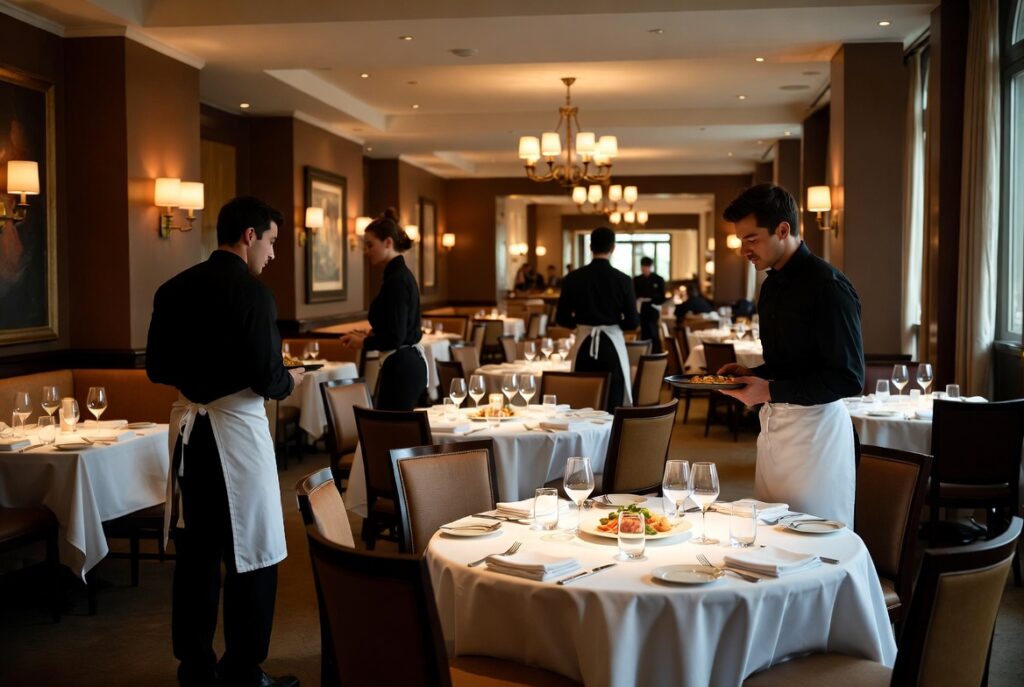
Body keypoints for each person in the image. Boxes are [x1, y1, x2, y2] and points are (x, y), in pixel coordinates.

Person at [146, 196, 301, 687]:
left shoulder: (172, 289)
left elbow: (155, 368)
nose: (272, 255)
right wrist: (288, 382)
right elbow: (265, 376)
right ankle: (243, 669)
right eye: (271, 242)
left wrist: (200, 380)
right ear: (249, 237)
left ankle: (194, 665)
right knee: (253, 551)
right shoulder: (255, 296)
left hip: (191, 438)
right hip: (235, 433)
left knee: (195, 554)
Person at [717, 184, 864, 527]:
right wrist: (753, 373)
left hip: (818, 435)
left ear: (783, 230)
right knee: (770, 529)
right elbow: (790, 365)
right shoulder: (770, 286)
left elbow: (848, 378)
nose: (743, 250)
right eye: (741, 240)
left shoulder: (828, 286)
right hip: (776, 429)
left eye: (751, 239)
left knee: (813, 535)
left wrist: (767, 390)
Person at [340, 208, 427, 410]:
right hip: (405, 364)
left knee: (392, 434)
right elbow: (395, 327)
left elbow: (395, 337)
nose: (366, 251)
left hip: (402, 368)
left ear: (388, 243)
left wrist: (363, 342)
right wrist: (372, 333)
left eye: (370, 245)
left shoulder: (396, 280)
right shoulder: (397, 275)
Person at [556, 226, 640, 412]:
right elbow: (633, 322)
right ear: (613, 248)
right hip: (612, 349)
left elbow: (561, 318)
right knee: (612, 403)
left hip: (583, 347)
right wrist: (615, 324)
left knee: (581, 401)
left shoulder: (572, 278)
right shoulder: (623, 280)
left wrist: (581, 325)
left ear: (590, 246)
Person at [633, 256, 666, 353]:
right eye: (643, 267)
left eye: (646, 267)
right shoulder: (637, 280)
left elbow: (662, 297)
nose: (644, 269)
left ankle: (656, 353)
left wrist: (653, 300)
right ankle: (644, 353)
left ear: (650, 267)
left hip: (653, 309)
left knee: (654, 332)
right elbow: (634, 295)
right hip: (641, 309)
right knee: (644, 332)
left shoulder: (658, 279)